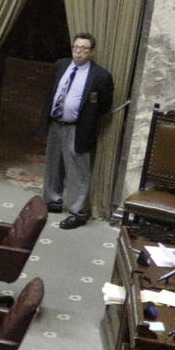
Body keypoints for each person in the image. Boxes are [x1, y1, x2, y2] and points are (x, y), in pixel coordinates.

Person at [43, 32, 115, 230]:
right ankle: (53, 200)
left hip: (78, 128)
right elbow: (51, 92)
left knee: (77, 171)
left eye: (84, 49)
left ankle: (78, 212)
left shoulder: (101, 76)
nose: (79, 52)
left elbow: (104, 105)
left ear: (91, 52)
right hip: (56, 124)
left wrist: (86, 119)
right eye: (76, 47)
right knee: (53, 164)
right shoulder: (61, 65)